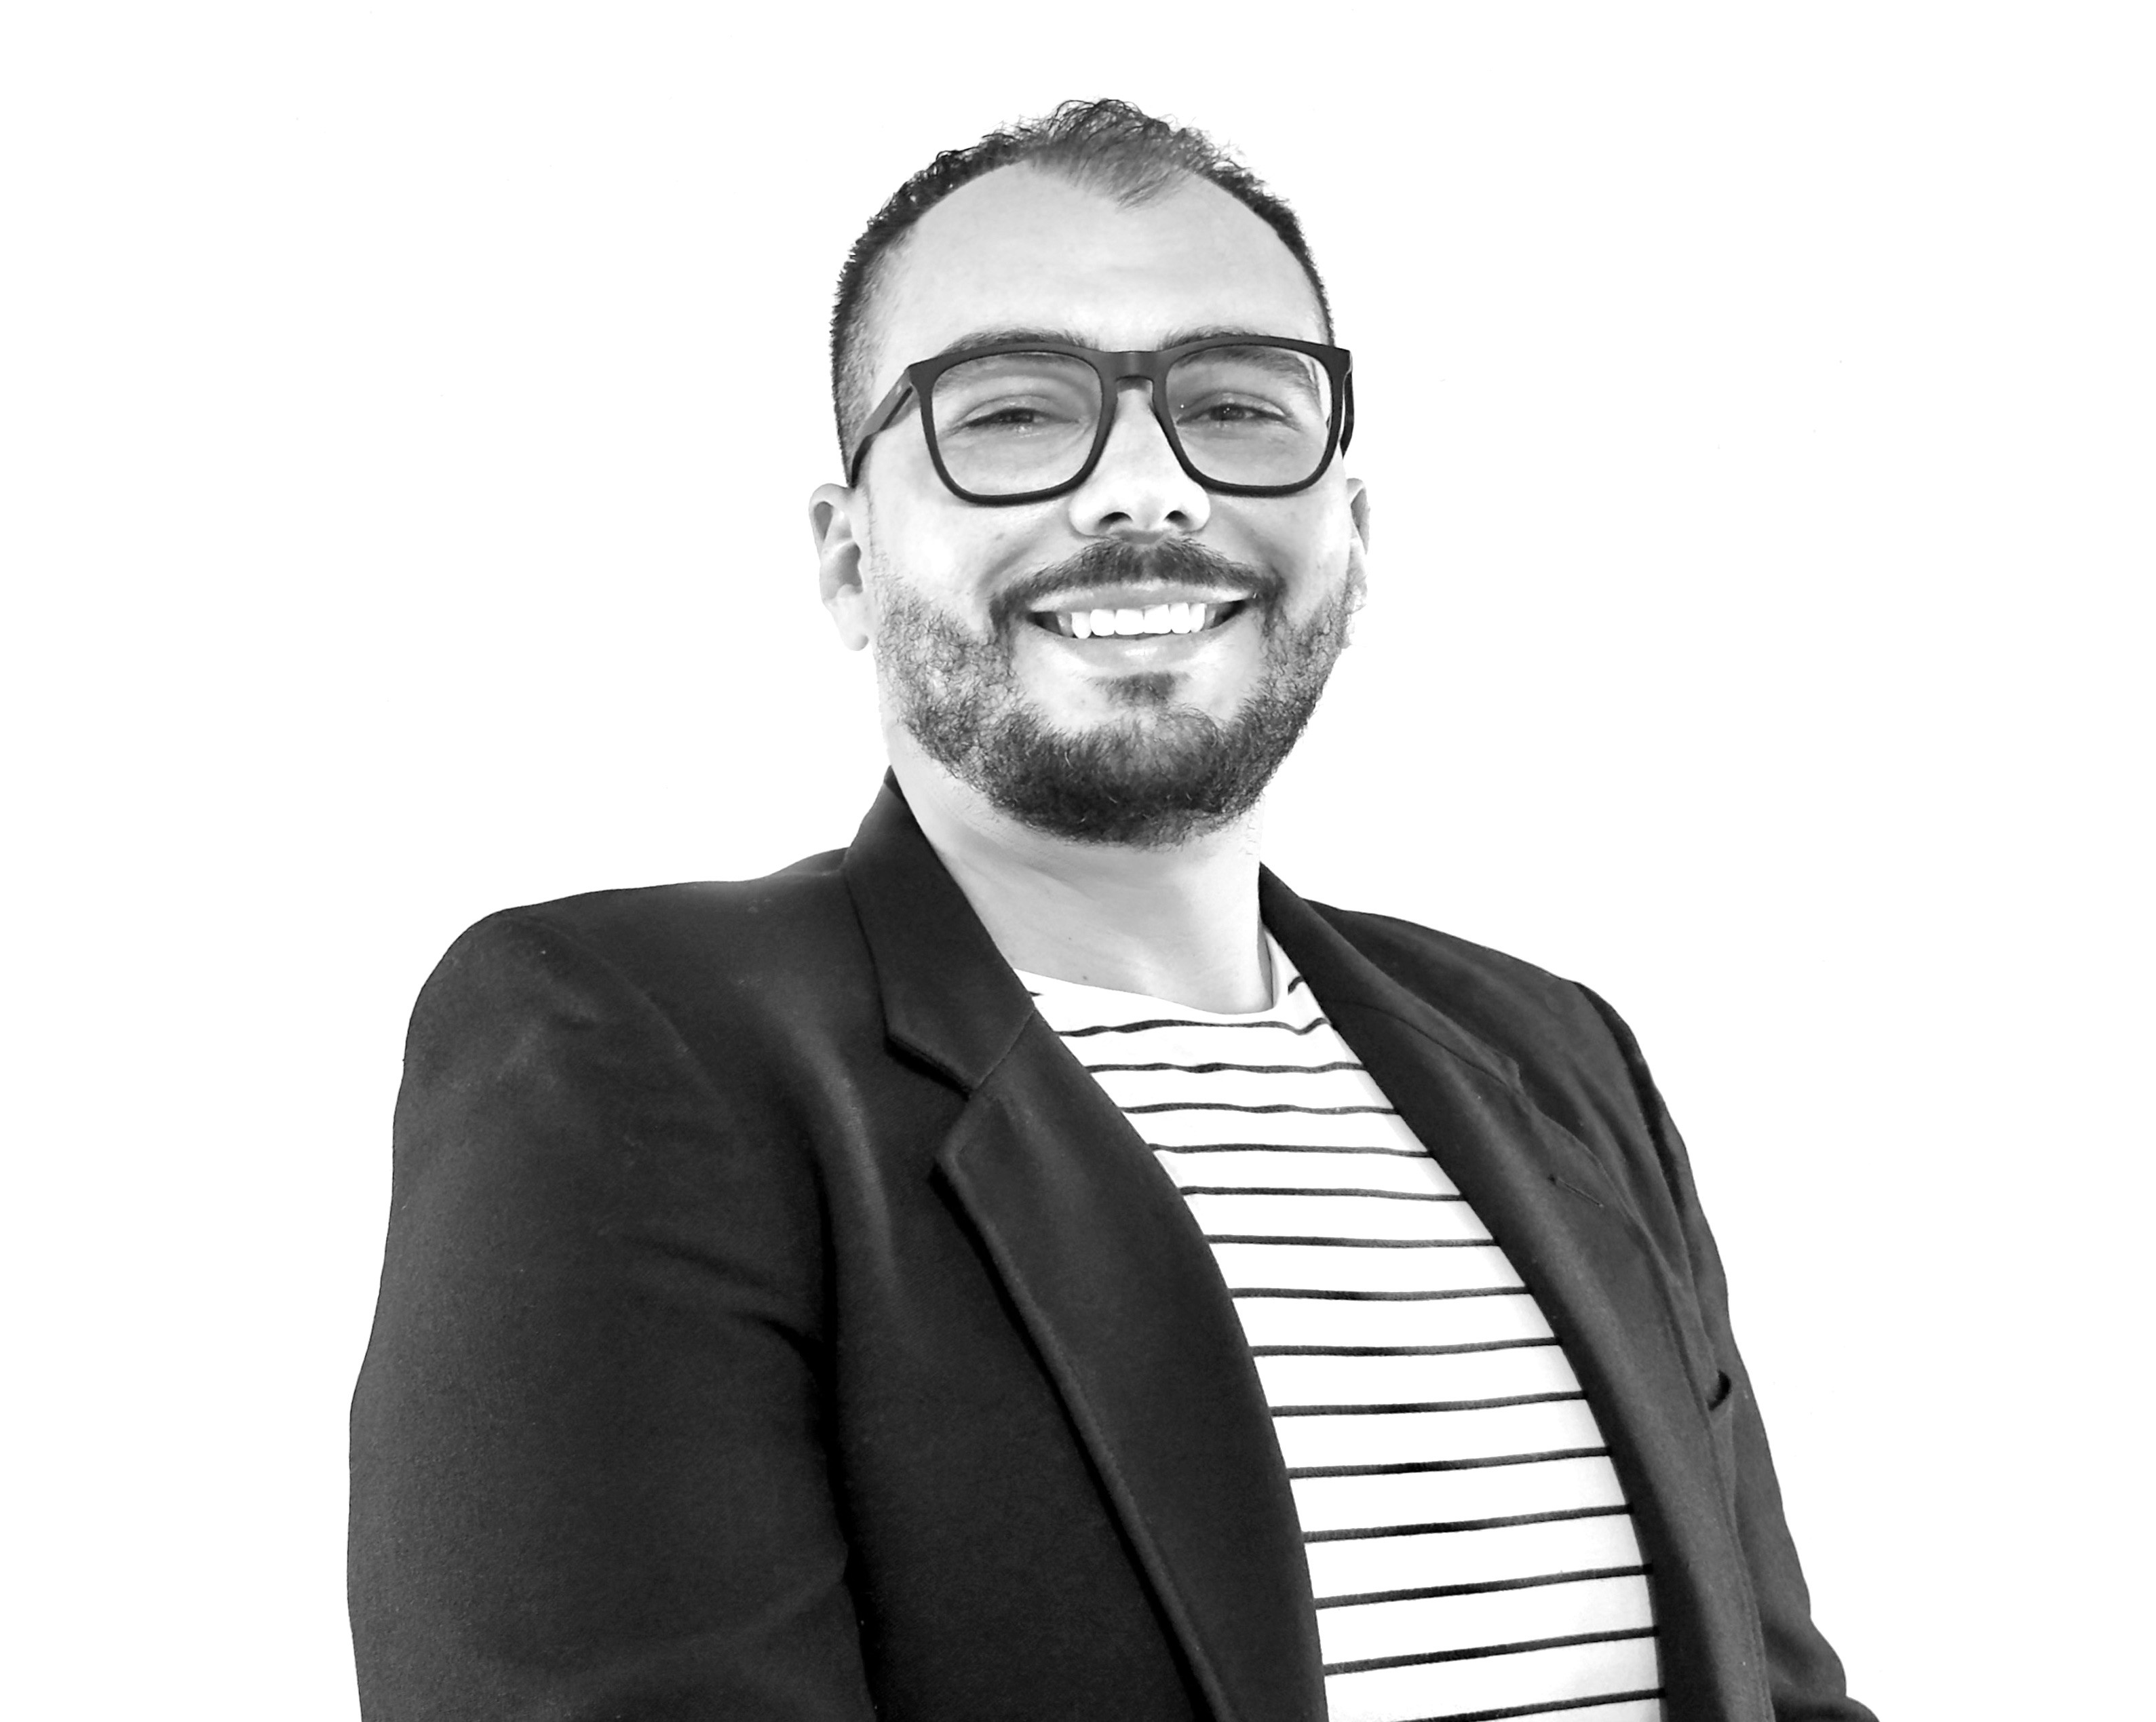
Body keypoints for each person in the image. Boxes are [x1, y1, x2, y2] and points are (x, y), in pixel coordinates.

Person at [349, 100, 1874, 1722]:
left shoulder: (1557, 1059)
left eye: (1233, 406)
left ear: (1354, 536)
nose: (1143, 489)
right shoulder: (626, 1049)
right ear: (848, 561)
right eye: (1011, 414)